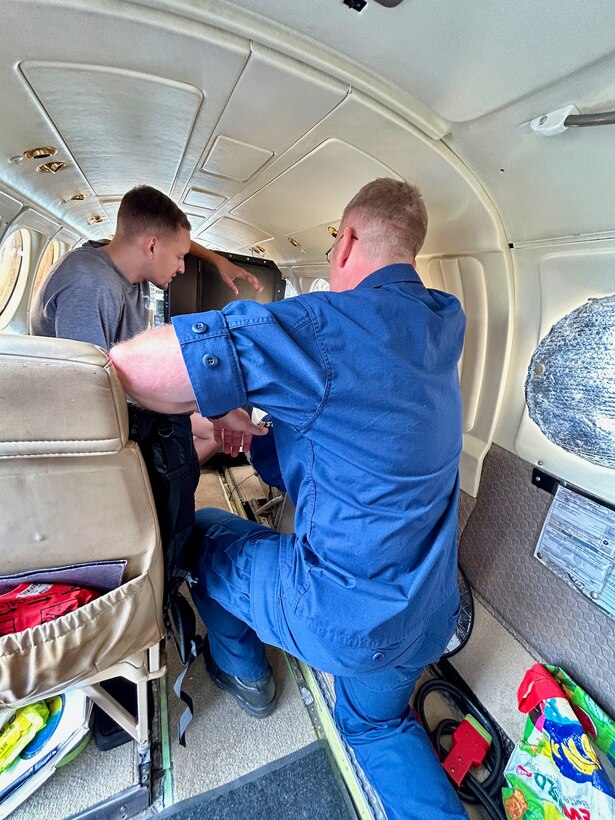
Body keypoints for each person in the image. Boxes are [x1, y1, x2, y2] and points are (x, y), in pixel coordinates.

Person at [109, 178, 469, 819]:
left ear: (348, 239)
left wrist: (225, 407)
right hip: (430, 613)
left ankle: (245, 669)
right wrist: (268, 423)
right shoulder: (443, 322)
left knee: (204, 532)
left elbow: (132, 370)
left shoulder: (328, 322)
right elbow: (341, 438)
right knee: (375, 727)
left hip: (343, 618)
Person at [31, 184, 264, 460]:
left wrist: (216, 260)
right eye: (179, 257)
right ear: (151, 246)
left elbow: (168, 236)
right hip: (88, 415)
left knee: (213, 426)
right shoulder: (90, 284)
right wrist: (214, 407)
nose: (182, 267)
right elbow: (89, 392)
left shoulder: (124, 262)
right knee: (199, 430)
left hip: (121, 396)